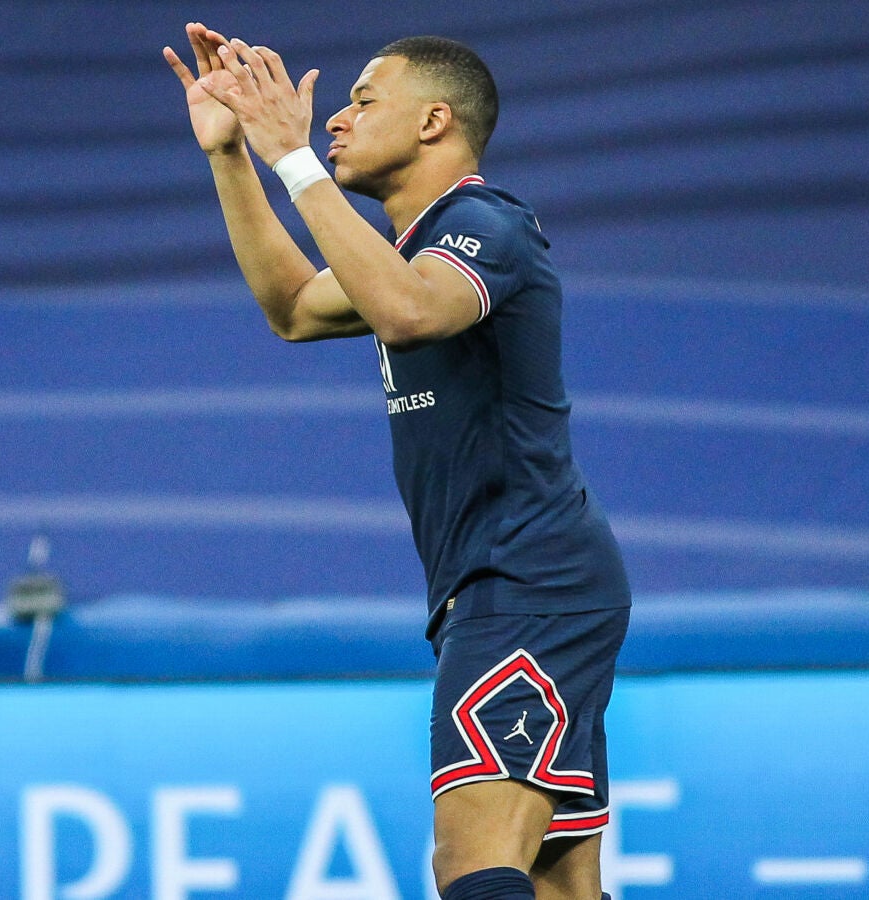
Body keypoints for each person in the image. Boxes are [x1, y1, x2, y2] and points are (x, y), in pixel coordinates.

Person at [164, 24, 631, 900]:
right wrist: (231, 156)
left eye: (363, 100)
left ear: (433, 121)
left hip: (525, 579)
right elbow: (294, 307)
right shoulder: (413, 251)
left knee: (472, 861)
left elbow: (411, 314)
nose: (337, 119)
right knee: (557, 886)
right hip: (521, 583)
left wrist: (292, 159)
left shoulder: (486, 224)